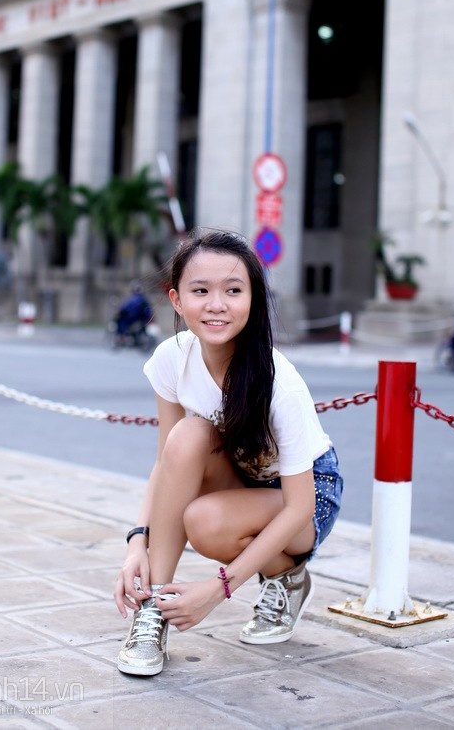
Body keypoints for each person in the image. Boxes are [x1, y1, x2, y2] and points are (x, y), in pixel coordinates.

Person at [114, 229, 343, 677]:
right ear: (177, 300)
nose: (216, 305)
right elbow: (167, 464)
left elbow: (298, 507)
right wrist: (137, 541)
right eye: (201, 291)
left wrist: (217, 590)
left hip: (307, 495)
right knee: (187, 436)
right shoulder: (171, 359)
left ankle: (288, 577)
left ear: (253, 299)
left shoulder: (279, 381)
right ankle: (153, 608)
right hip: (242, 476)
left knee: (206, 524)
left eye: (233, 291)